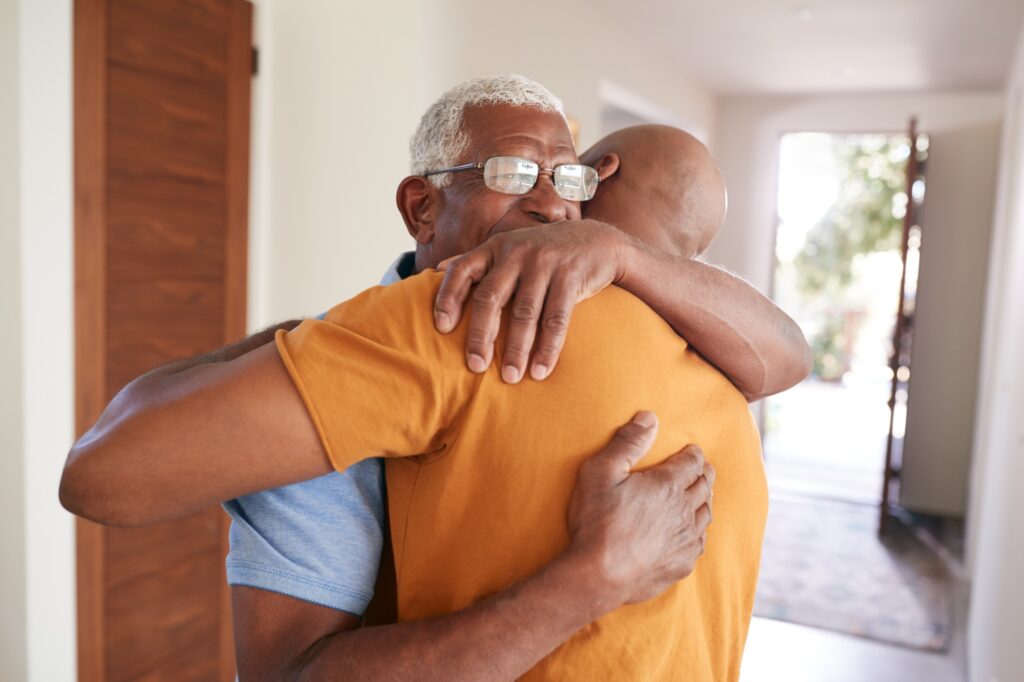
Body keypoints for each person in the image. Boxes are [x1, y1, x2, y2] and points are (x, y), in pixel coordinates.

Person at [60, 76, 810, 680]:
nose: (553, 206)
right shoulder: (420, 331)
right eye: (513, 173)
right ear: (422, 206)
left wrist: (622, 254)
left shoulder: (687, 322)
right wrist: (591, 580)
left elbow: (789, 353)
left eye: (568, 179)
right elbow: (106, 473)